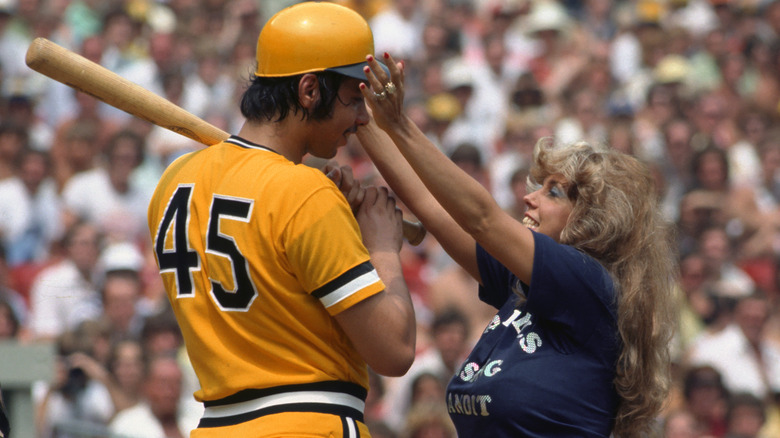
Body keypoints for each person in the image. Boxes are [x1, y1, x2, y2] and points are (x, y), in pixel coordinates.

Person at [355, 53, 677, 436]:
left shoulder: (590, 283)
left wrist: (400, 124)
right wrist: (356, 115)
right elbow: (433, 209)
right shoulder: (524, 285)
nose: (530, 198)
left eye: (553, 192)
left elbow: (483, 217)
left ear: (596, 218)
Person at [146, 3, 416, 437]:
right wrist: (382, 247)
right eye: (353, 99)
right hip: (312, 421)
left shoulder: (173, 182)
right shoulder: (306, 193)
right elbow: (395, 351)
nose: (362, 118)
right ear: (309, 90)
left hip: (215, 425)